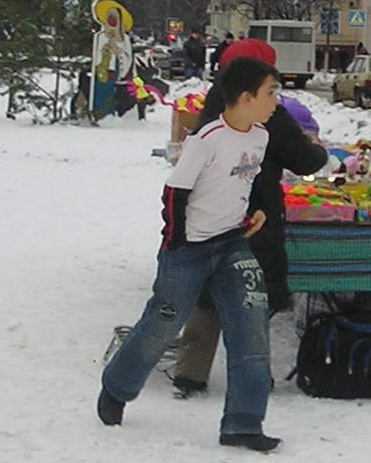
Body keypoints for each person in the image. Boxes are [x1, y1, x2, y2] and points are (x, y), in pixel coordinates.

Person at [96, 57, 284, 453]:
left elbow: (249, 181)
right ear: (245, 97)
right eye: (270, 93)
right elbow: (175, 192)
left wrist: (258, 210)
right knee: (162, 325)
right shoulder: (207, 138)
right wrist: (178, 243)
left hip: (233, 246)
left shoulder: (260, 136)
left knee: (251, 331)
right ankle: (117, 387)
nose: (276, 101)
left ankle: (243, 423)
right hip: (188, 251)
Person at [171, 38, 328, 398]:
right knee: (253, 298)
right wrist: (316, 150)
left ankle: (190, 373)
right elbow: (303, 158)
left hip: (210, 214)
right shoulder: (265, 111)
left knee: (208, 294)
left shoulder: (216, 103)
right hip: (255, 215)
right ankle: (253, 379)